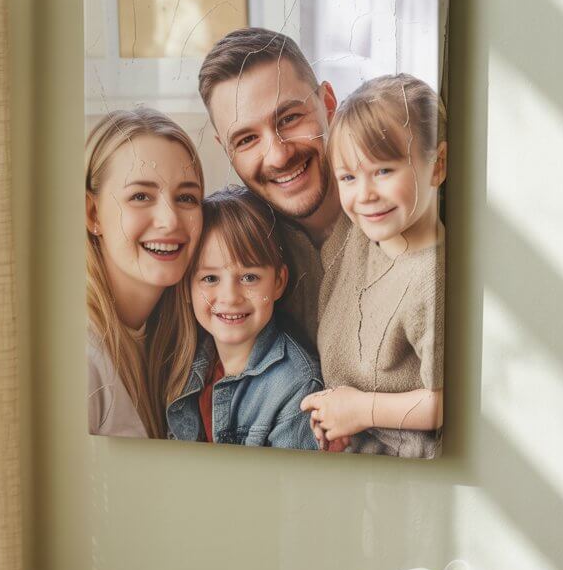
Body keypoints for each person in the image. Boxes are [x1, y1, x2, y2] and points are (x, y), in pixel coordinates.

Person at [300, 75, 446, 458]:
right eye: (348, 177)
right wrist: (338, 417)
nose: (364, 194)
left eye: (383, 171)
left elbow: (451, 400)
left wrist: (360, 411)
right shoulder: (360, 235)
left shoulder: (431, 279)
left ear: (438, 165)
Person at [198, 27, 345, 349]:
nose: (279, 156)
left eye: (290, 118)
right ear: (227, 150)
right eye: (247, 139)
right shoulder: (235, 245)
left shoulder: (406, 208)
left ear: (328, 103)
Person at [166, 189, 323, 449]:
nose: (230, 297)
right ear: (186, 288)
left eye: (249, 277)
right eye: (210, 278)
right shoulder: (183, 364)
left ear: (278, 282)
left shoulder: (297, 386)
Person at [86, 107, 204, 438]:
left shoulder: (186, 339)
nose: (170, 220)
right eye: (140, 196)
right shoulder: (81, 359)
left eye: (186, 197)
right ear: (92, 213)